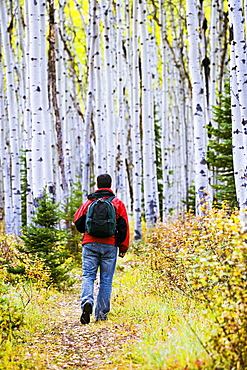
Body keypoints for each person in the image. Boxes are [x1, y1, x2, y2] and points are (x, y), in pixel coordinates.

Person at [74, 174, 130, 324]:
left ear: (97, 185)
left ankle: (87, 302)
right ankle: (101, 315)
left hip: (90, 244)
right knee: (106, 280)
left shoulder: (88, 202)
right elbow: (124, 227)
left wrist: (88, 230)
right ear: (110, 185)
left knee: (88, 276)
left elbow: (77, 222)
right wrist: (123, 247)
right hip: (110, 246)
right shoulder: (117, 203)